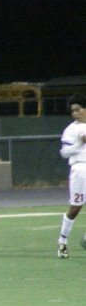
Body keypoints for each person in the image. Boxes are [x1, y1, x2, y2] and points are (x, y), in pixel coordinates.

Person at [55, 93, 86, 259]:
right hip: (80, 170)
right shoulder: (71, 130)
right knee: (75, 208)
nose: (75, 113)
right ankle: (62, 241)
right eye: (72, 111)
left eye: (78, 109)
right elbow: (64, 153)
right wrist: (81, 143)